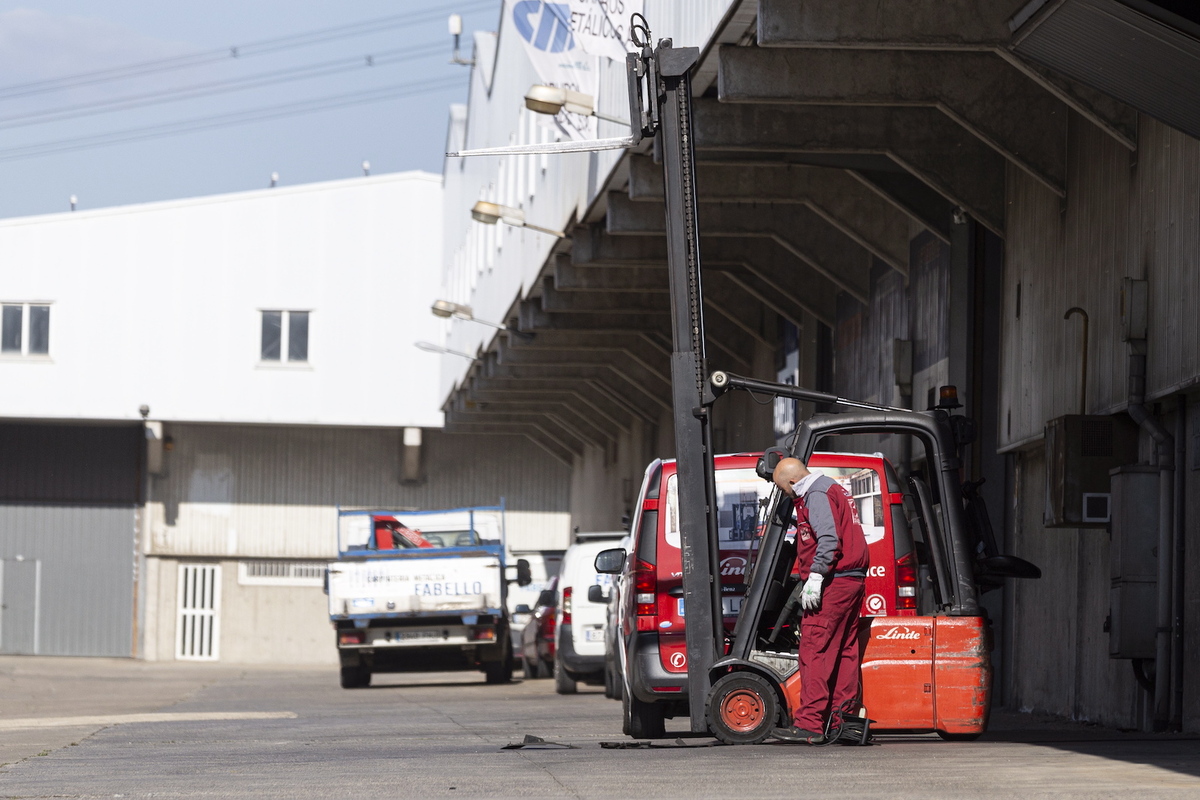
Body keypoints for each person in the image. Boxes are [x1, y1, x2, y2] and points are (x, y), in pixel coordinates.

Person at [769, 457, 870, 744]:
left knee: (814, 648)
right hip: (852, 581)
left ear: (791, 482)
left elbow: (828, 537)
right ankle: (842, 722)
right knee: (845, 651)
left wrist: (815, 575)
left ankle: (810, 724)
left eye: (785, 490)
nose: (788, 495)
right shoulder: (832, 488)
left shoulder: (815, 493)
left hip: (833, 582)